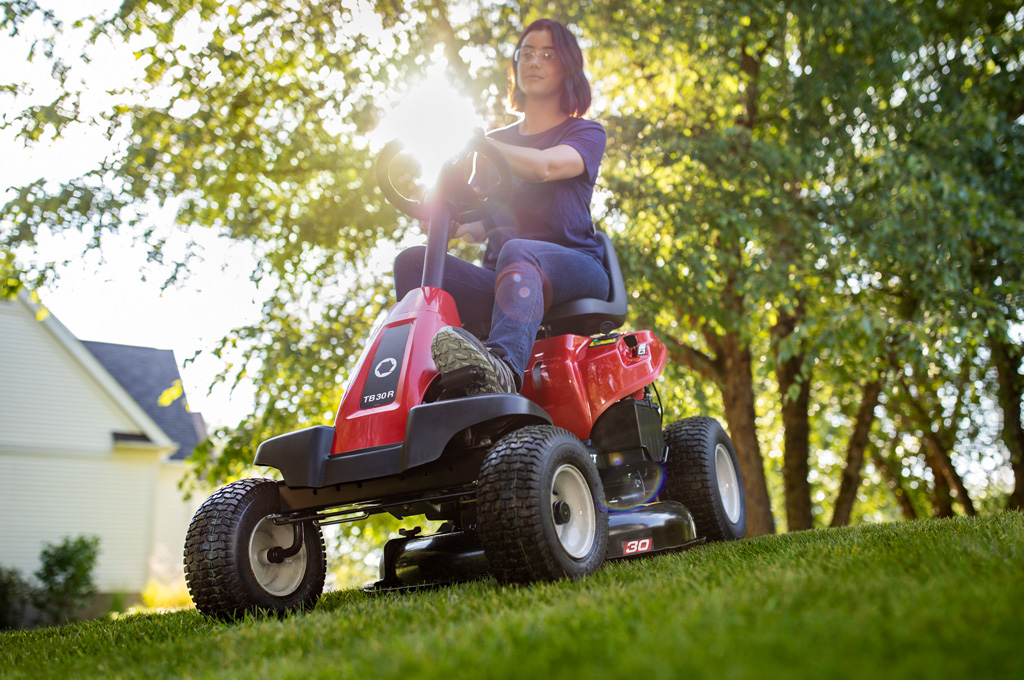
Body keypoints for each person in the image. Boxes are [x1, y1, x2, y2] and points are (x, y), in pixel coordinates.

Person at [393, 18, 609, 394]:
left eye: (547, 54)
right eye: (525, 53)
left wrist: (481, 145)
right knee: (412, 261)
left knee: (518, 250)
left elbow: (545, 167)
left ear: (567, 67)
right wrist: (446, 209)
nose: (533, 62)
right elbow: (477, 224)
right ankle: (430, 382)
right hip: (504, 276)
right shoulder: (492, 142)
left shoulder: (585, 133)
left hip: (575, 265)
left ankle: (502, 371)